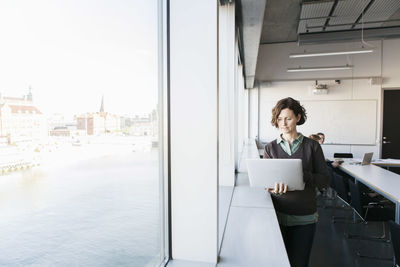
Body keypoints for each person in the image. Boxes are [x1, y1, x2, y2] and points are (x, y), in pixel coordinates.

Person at [264, 97, 330, 267]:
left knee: (299, 263)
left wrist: (302, 175)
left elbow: (324, 181)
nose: (283, 123)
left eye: (288, 118)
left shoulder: (312, 146)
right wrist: (271, 189)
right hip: (276, 215)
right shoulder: (270, 148)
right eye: (279, 119)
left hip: (304, 217)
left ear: (298, 118)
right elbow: (265, 183)